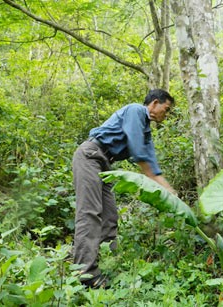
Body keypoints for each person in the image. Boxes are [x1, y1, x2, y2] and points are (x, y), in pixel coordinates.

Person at [72, 89, 176, 289]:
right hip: (90, 156)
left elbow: (152, 166)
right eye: (167, 109)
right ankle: (85, 274)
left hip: (104, 164)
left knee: (109, 218)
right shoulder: (136, 111)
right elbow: (138, 152)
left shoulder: (146, 130)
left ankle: (107, 264)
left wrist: (170, 192)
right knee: (90, 213)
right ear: (155, 103)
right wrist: (155, 179)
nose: (167, 114)